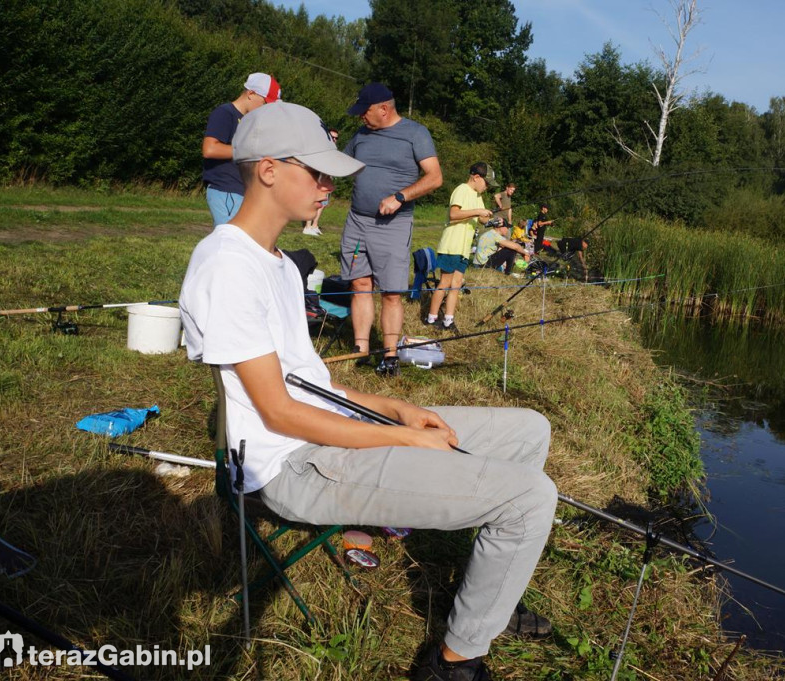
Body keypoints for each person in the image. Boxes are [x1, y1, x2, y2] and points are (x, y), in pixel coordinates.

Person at [179, 101, 555, 681]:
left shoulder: (276, 262)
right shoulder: (227, 265)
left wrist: (391, 406)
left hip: (321, 429)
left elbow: (313, 383)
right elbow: (279, 413)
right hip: (293, 467)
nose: (329, 186)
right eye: (319, 173)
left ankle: (493, 591)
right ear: (270, 170)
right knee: (531, 498)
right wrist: (402, 438)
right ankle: (454, 662)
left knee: (530, 429)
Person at [340, 83, 443, 377]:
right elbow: (342, 164)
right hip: (357, 221)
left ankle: (389, 356)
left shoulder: (415, 133)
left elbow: (435, 177)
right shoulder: (361, 135)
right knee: (359, 284)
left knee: (391, 292)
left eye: (365, 111)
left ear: (384, 109)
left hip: (393, 226)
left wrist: (400, 197)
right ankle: (360, 350)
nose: (361, 117)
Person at [201, 72, 281, 227]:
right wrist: (248, 150)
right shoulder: (225, 113)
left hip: (241, 191)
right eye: (265, 103)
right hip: (226, 189)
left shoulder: (249, 120)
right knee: (231, 241)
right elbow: (209, 149)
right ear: (251, 93)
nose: (266, 109)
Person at [426, 162, 497, 333]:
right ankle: (432, 318)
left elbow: (481, 219)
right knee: (445, 282)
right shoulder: (461, 190)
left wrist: (488, 217)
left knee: (456, 284)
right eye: (486, 183)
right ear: (476, 177)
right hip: (452, 245)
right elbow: (453, 215)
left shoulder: (477, 196)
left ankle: (448, 321)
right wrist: (477, 211)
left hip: (464, 248)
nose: (487, 187)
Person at [303, 126, 340, 236]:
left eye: (336, 138)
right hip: (318, 180)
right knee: (313, 203)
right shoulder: (320, 147)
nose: (334, 139)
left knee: (323, 204)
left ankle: (315, 226)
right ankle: (307, 227)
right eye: (332, 137)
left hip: (327, 179)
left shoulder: (334, 150)